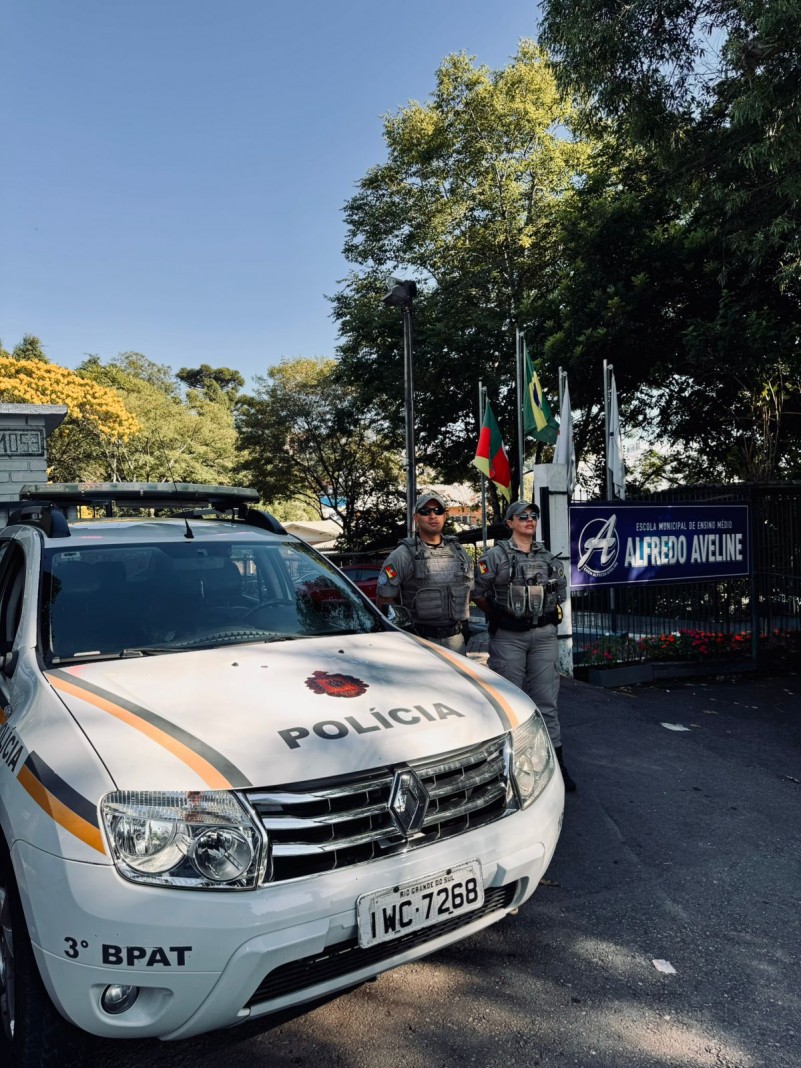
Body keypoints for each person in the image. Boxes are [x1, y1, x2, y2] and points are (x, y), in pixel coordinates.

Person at [473, 499, 576, 791]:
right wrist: (498, 615)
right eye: (522, 516)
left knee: (548, 703)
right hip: (509, 638)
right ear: (510, 523)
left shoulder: (549, 557)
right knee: (510, 702)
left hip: (544, 635)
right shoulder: (494, 556)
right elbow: (478, 593)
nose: (529, 520)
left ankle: (557, 763)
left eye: (533, 515)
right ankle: (508, 770)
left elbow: (561, 595)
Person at [377, 491, 473, 653]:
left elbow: (469, 590)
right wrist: (404, 633)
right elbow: (384, 599)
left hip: (455, 640)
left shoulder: (459, 552)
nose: (432, 515)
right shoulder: (402, 555)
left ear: (444, 516)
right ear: (416, 518)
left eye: (438, 511)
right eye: (425, 511)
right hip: (418, 641)